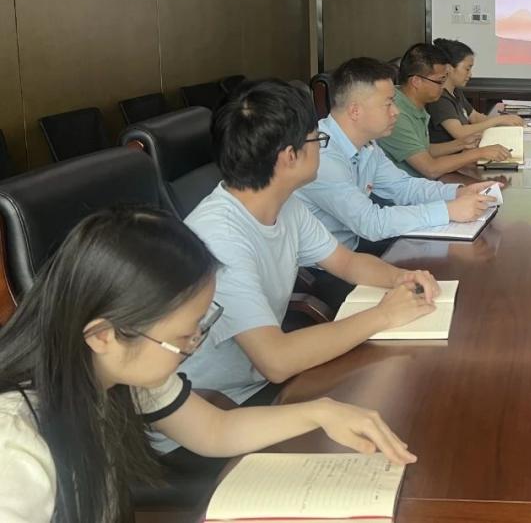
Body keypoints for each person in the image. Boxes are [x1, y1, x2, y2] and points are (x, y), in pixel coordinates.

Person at [0, 206, 415, 523]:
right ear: (103, 335)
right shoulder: (14, 448)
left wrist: (321, 411)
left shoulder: (114, 369)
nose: (194, 347)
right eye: (183, 338)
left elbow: (216, 430)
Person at [156, 79, 439, 458]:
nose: (322, 146)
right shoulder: (219, 238)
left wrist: (402, 279)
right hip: (207, 418)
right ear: (290, 156)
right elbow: (276, 361)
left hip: (254, 391)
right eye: (317, 139)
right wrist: (383, 315)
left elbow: (346, 262)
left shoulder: (283, 203)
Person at [297, 56, 500, 252]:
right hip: (323, 266)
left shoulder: (367, 145)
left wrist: (458, 192)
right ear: (355, 111)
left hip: (351, 246)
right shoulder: (321, 156)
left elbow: (403, 187)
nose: (396, 111)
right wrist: (448, 210)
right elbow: (370, 222)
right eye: (388, 104)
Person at [378, 43, 511, 179]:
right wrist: (479, 153)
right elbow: (430, 168)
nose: (443, 87)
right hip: (407, 189)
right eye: (440, 81)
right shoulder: (396, 114)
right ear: (416, 81)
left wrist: (462, 143)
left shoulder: (414, 103)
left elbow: (423, 149)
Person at [427, 38, 524, 144]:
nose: (470, 74)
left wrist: (506, 121)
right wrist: (499, 120)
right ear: (449, 68)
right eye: (467, 69)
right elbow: (459, 132)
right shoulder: (439, 97)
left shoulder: (455, 91)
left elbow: (475, 117)